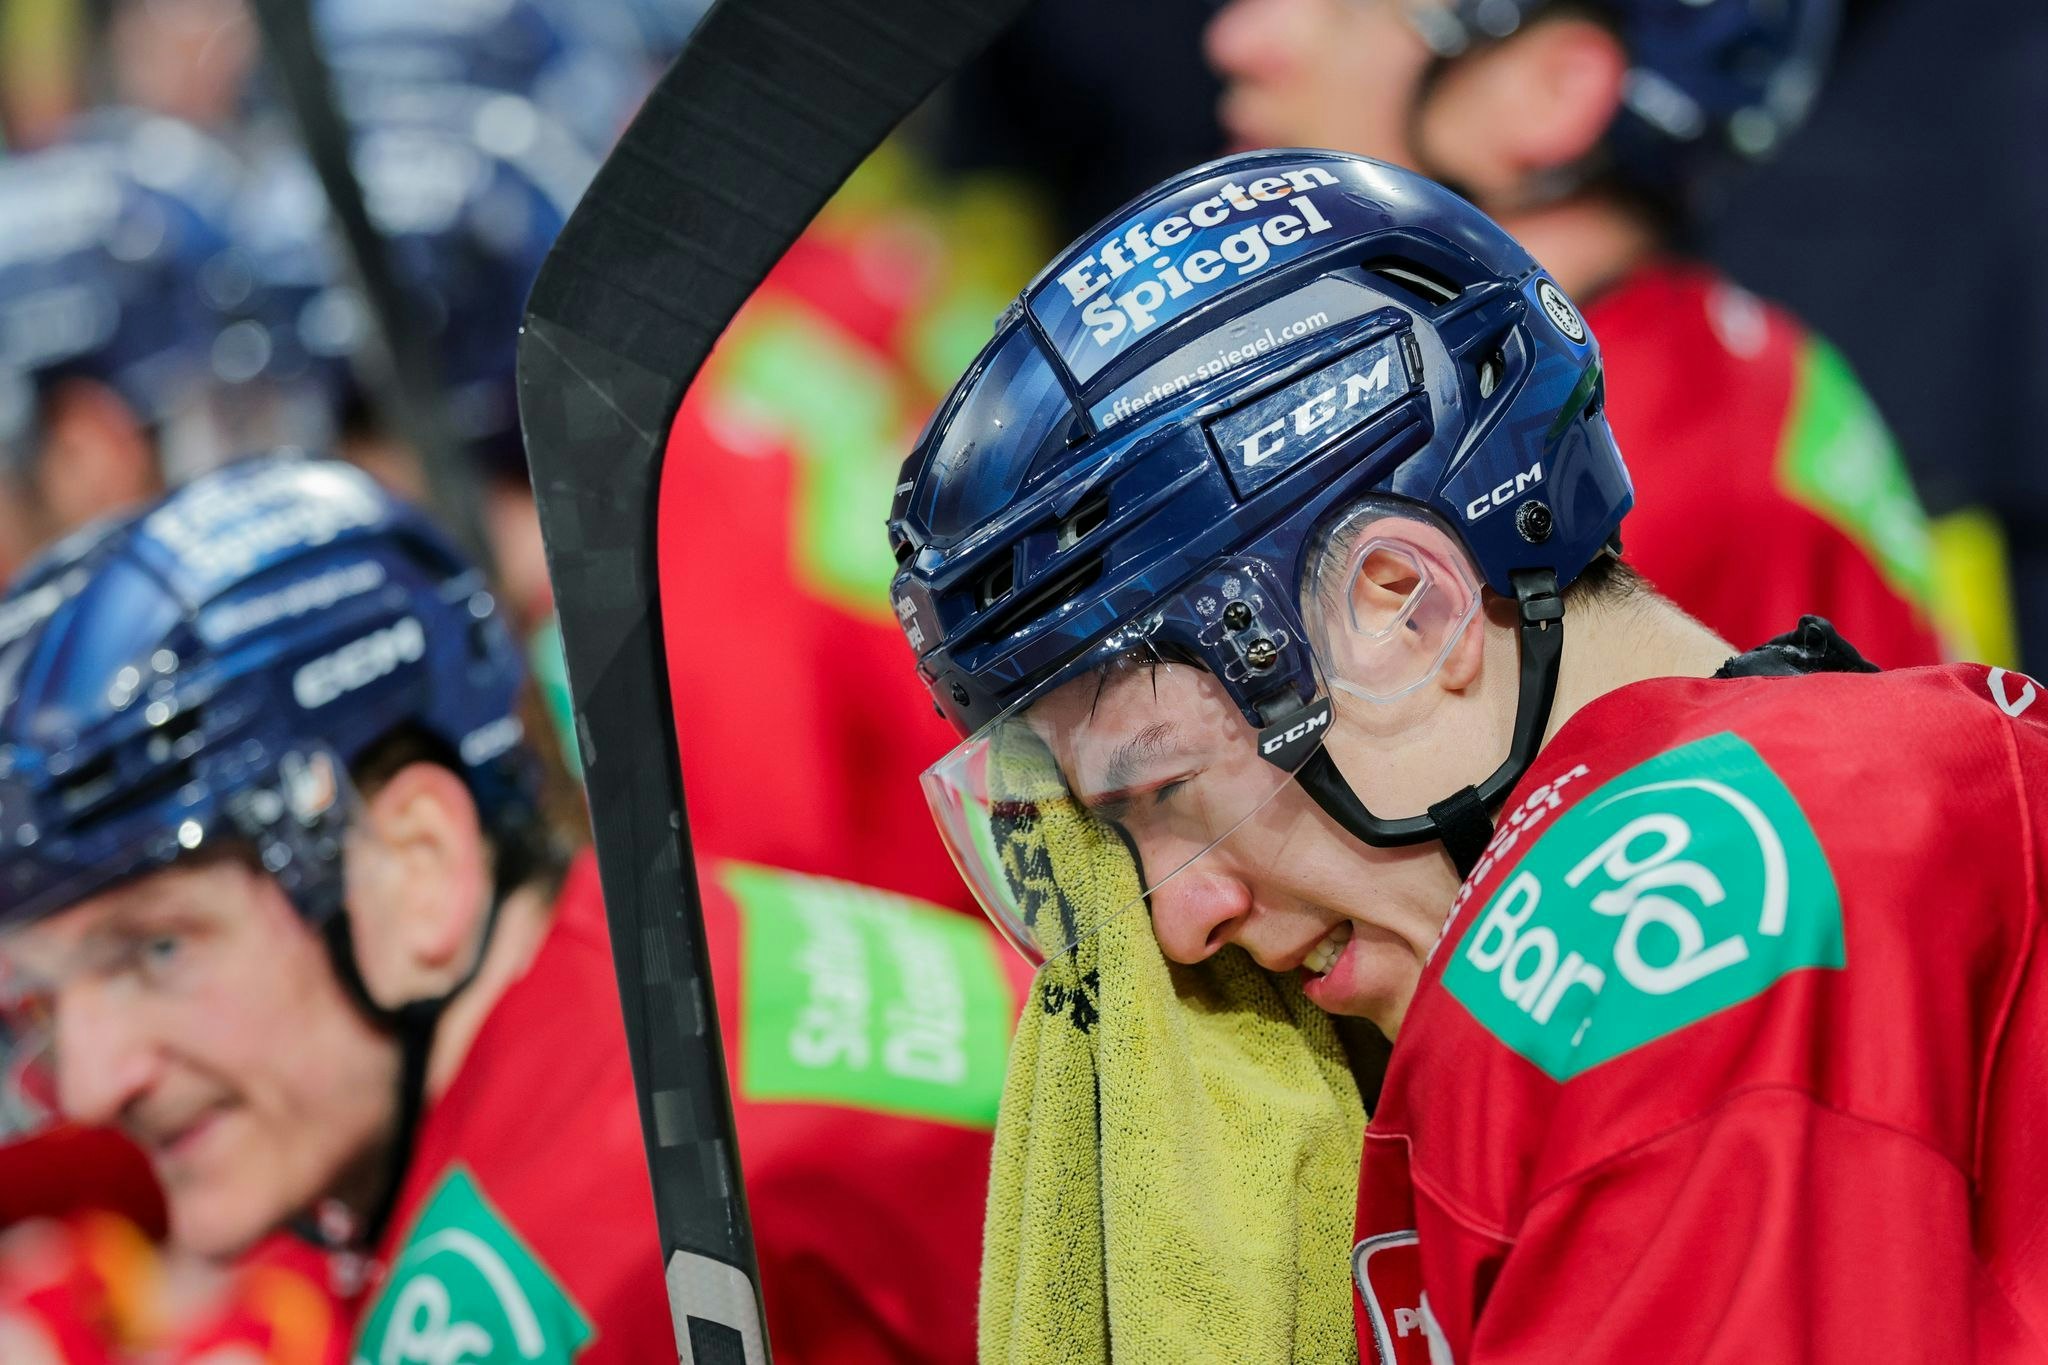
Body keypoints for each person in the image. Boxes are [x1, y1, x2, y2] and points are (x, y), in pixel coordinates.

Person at [889, 149, 2048, 1359]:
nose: (1177, 924)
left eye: (1169, 788)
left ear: (1404, 609)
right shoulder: (1794, 804)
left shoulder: (1677, 927)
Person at [0, 455, 1030, 1363]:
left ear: (417, 863)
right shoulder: (658, 962)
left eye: (158, 949)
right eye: (47, 997)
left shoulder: (577, 1285)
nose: (90, 1084)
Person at [1202, 0, 1951, 667]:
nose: (1237, 40)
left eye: (1345, 10)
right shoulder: (1700, 383)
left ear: (1556, 92)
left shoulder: (1605, 479)